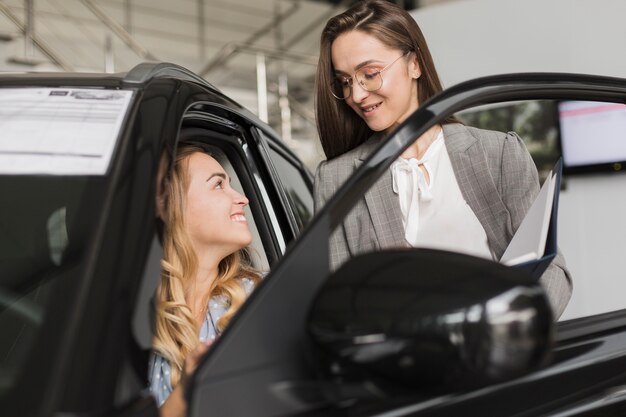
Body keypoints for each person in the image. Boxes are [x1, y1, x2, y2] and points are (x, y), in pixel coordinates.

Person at [313, 0, 572, 317]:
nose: (356, 94)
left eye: (369, 73)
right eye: (345, 81)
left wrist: (514, 328)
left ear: (415, 64)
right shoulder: (337, 179)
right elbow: (338, 303)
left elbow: (551, 270)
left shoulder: (498, 153)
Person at [148, 143, 261, 417]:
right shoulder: (139, 320)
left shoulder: (263, 296)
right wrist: (187, 391)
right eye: (218, 185)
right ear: (175, 207)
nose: (243, 199)